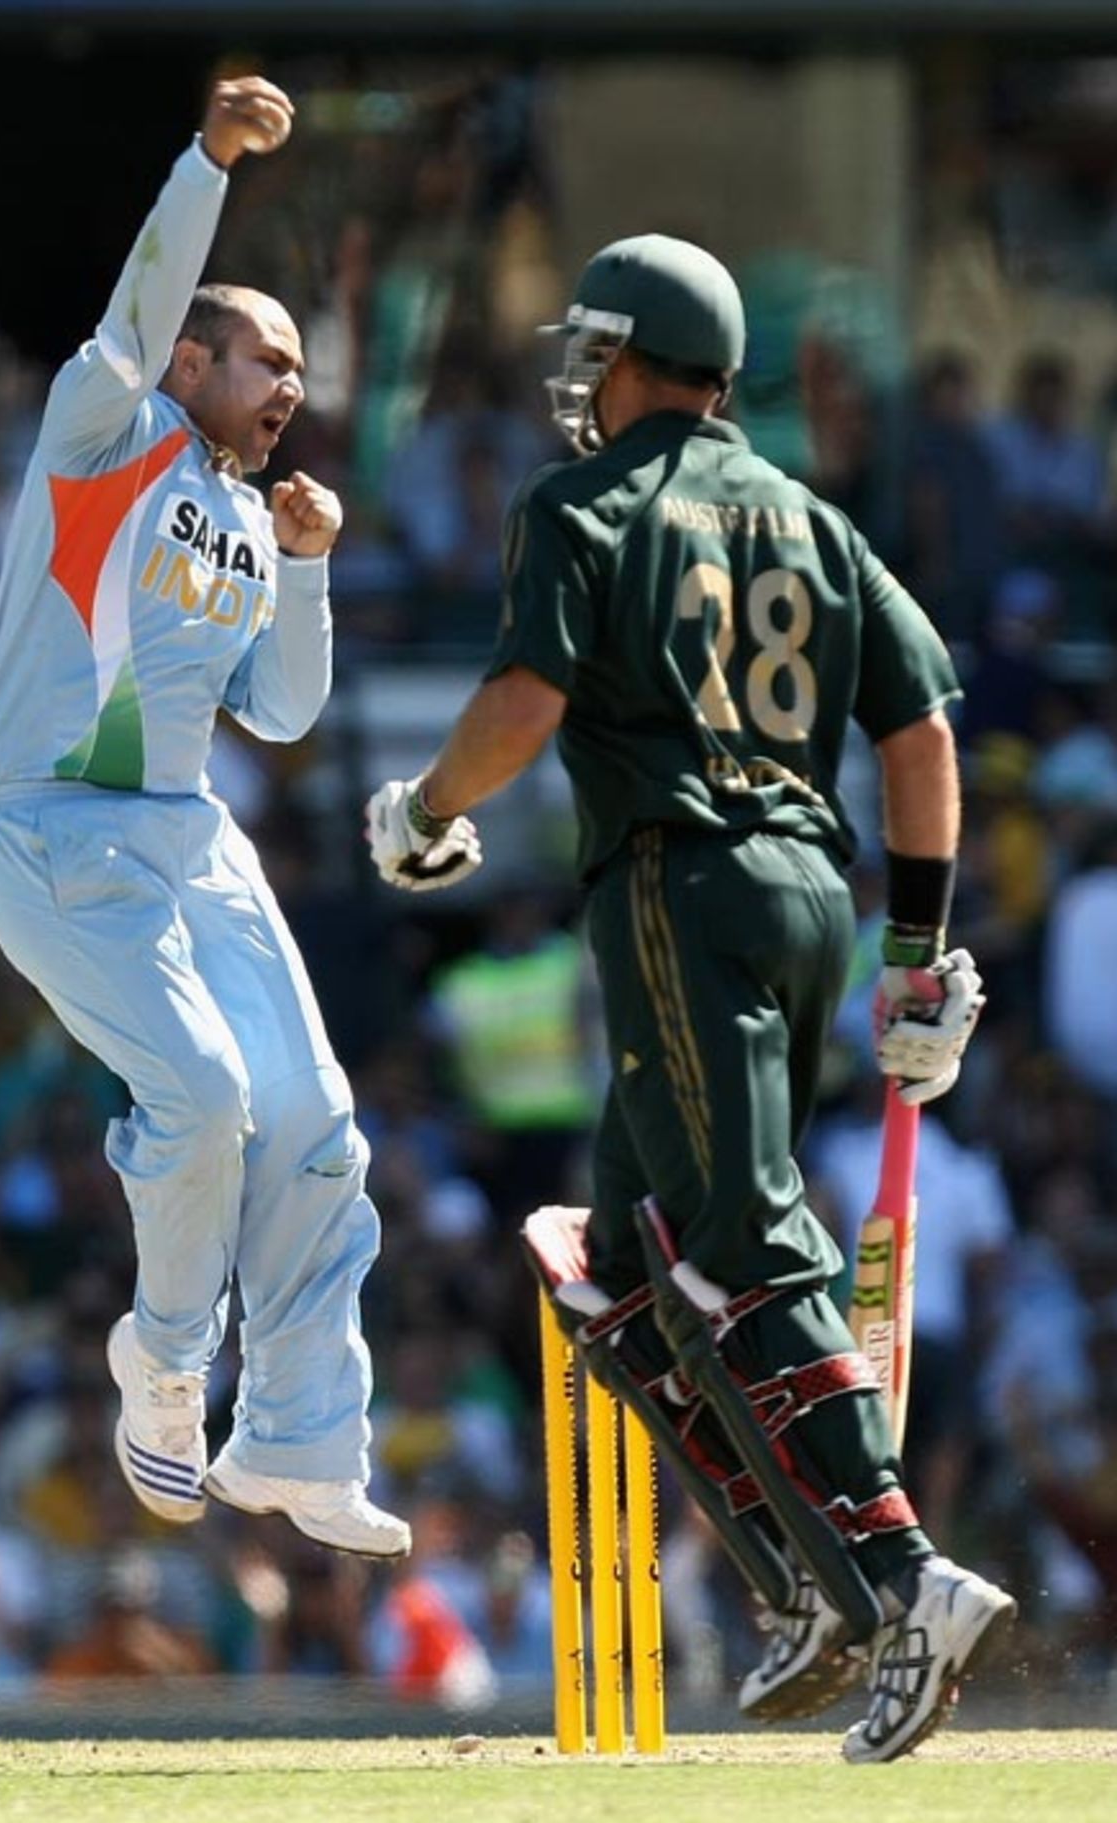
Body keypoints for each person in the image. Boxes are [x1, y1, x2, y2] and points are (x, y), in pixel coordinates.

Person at [365, 233, 1014, 1760]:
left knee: (737, 1245)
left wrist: (425, 812)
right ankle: (806, 1580)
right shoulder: (811, 517)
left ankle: (908, 1576)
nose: (581, 378)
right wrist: (914, 946)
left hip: (680, 888)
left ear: (643, 356)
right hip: (808, 901)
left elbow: (524, 702)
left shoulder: (580, 504)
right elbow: (919, 726)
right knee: (619, 1259)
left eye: (599, 349)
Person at [0, 77, 408, 1560]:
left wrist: (306, 570)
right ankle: (162, 1366)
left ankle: (295, 1440)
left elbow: (279, 714)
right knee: (207, 1099)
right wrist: (207, 163)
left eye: (299, 367)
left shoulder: (235, 509)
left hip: (185, 834)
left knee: (316, 1124)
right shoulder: (107, 431)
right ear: (191, 362)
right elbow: (138, 309)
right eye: (265, 359)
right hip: (53, 829)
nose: (292, 386)